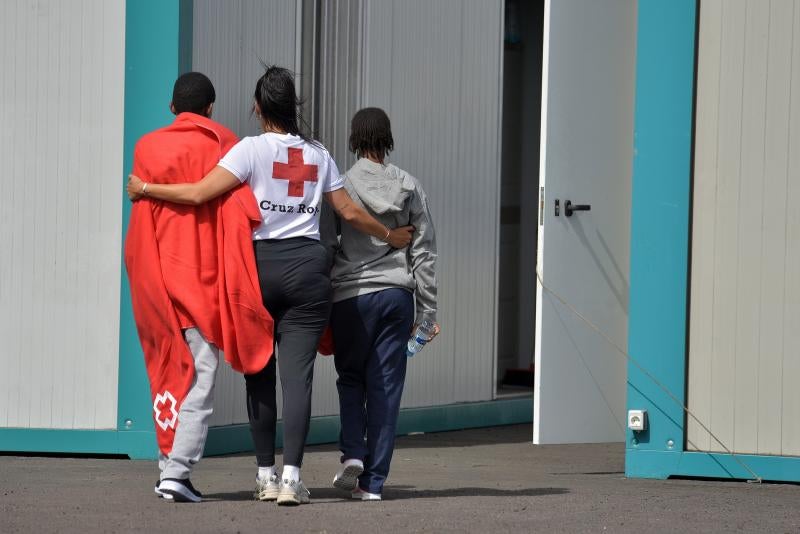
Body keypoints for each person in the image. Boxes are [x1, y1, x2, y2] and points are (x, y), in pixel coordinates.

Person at [127, 66, 414, 506]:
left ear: (258, 108)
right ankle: (291, 478)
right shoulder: (319, 154)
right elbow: (349, 213)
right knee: (296, 379)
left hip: (257, 272)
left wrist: (146, 187)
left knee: (258, 372)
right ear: (292, 105)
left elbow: (200, 193)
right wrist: (391, 236)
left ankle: (264, 474)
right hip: (308, 271)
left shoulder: (249, 150)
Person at [125, 72, 273, 503]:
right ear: (210, 109)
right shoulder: (226, 143)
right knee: (200, 375)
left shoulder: (147, 147)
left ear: (173, 108)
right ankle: (177, 472)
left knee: (169, 369)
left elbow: (141, 219)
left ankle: (166, 464)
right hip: (204, 279)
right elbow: (245, 211)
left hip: (158, 275)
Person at [321, 107, 439, 501]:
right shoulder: (408, 185)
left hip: (352, 298)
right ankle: (372, 484)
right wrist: (428, 312)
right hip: (395, 296)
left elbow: (327, 243)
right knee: (386, 387)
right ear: (387, 139)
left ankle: (353, 452)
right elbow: (424, 253)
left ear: (354, 139)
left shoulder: (341, 186)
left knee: (351, 378)